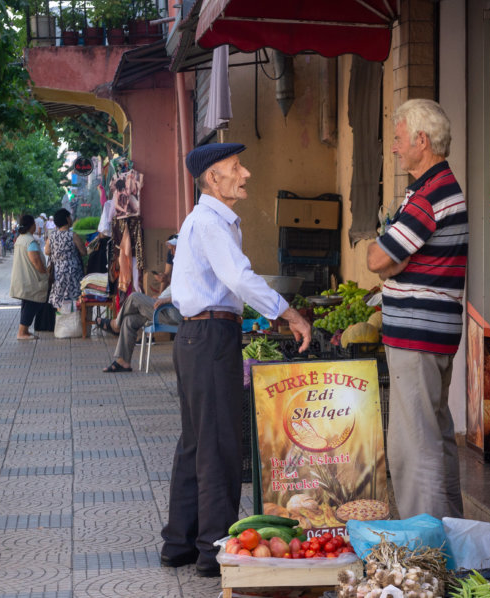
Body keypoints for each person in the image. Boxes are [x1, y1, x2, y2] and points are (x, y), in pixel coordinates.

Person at [160, 142, 311, 578]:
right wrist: (289, 312)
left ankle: (180, 543)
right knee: (218, 445)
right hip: (208, 338)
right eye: (235, 167)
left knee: (196, 442)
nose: (244, 174)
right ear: (213, 178)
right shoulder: (209, 221)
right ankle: (212, 550)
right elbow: (239, 278)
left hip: (200, 335)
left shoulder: (210, 221)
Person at [366, 99, 468, 520]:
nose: (394, 147)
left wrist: (387, 253)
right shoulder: (437, 190)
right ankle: (449, 537)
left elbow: (377, 259)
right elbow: (391, 258)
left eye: (398, 138)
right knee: (435, 437)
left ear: (421, 141)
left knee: (413, 446)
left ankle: (424, 555)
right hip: (432, 333)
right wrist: (392, 256)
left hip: (416, 334)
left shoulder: (430, 195)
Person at [100, 235, 181, 372]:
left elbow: (190, 294)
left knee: (134, 297)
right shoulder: (181, 265)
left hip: (172, 311)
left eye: (175, 248)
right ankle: (123, 362)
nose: (172, 252)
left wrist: (167, 299)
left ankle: (115, 324)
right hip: (164, 307)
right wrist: (161, 297)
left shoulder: (190, 268)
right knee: (129, 320)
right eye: (171, 249)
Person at [10, 214, 49, 341]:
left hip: (23, 277)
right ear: (31, 225)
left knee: (27, 304)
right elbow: (36, 261)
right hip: (31, 279)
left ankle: (24, 330)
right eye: (34, 224)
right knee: (33, 304)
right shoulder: (30, 241)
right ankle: (22, 332)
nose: (36, 226)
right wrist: (45, 272)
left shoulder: (20, 239)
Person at [44, 208, 85, 310]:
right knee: (75, 300)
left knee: (60, 301)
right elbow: (83, 252)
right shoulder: (73, 235)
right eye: (70, 217)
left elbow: (47, 252)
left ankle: (61, 322)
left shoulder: (52, 236)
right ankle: (75, 322)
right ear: (67, 219)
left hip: (57, 273)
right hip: (73, 272)